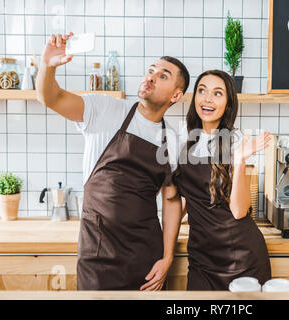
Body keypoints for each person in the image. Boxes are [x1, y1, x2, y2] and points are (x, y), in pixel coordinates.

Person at [36, 32, 188, 290]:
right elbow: (51, 98)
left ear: (176, 96)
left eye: (163, 76)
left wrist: (167, 256)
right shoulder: (105, 110)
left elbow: (172, 200)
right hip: (98, 254)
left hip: (145, 257)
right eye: (150, 70)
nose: (150, 76)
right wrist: (47, 66)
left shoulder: (171, 140)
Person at [174, 70, 272, 290]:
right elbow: (183, 201)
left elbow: (239, 210)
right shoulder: (186, 140)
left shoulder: (236, 141)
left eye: (217, 93)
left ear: (228, 103)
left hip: (240, 258)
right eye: (202, 91)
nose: (207, 98)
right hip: (201, 257)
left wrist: (239, 159)